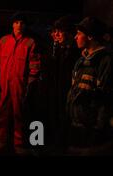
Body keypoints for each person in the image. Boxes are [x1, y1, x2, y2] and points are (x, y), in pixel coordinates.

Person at [0, 12, 41, 155]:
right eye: (16, 22)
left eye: (22, 23)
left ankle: (19, 142)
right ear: (12, 24)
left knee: (19, 113)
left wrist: (30, 85)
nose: (19, 25)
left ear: (25, 26)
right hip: (4, 84)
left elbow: (35, 66)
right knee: (1, 111)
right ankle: (0, 139)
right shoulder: (4, 41)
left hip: (20, 85)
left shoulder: (30, 42)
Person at [66, 17, 113, 155]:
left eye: (79, 33)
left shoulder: (105, 61)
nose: (75, 37)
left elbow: (105, 99)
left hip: (92, 129)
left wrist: (99, 129)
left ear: (90, 36)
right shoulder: (80, 61)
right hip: (77, 125)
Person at [45, 16, 80, 153]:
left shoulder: (76, 52)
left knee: (66, 122)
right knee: (55, 119)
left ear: (69, 33)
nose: (56, 34)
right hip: (54, 93)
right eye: (54, 31)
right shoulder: (54, 50)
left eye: (60, 31)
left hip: (68, 94)